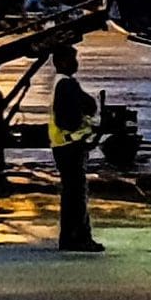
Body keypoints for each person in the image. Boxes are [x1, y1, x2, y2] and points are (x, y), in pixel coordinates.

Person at [48, 44, 104, 252]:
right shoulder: (66, 85)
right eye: (72, 59)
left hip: (63, 145)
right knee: (76, 195)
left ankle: (72, 237)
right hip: (70, 146)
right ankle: (77, 238)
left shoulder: (62, 84)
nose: (76, 63)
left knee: (72, 194)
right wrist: (82, 127)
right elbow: (69, 118)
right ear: (61, 62)